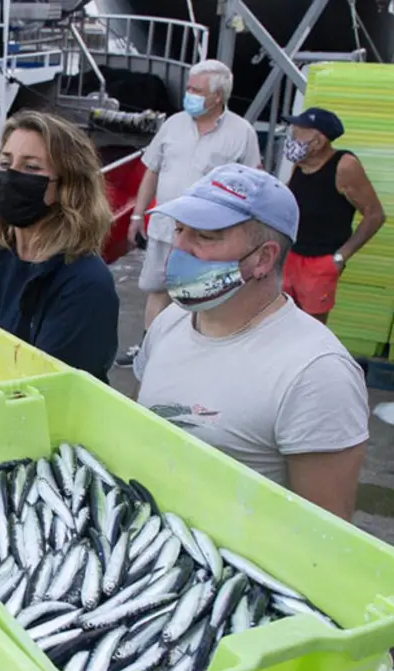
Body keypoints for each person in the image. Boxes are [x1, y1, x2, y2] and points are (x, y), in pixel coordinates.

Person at [135, 164, 367, 520]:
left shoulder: (316, 373)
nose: (179, 248)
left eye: (205, 236)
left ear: (263, 258)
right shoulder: (172, 321)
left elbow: (326, 532)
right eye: (179, 230)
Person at [0, 111, 118, 381]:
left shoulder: (85, 283)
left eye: (31, 168)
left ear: (66, 187)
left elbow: (53, 388)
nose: (11, 176)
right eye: (5, 162)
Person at [119, 59, 262, 366]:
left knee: (200, 295)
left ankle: (189, 355)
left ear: (217, 96)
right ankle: (148, 350)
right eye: (188, 88)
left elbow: (252, 183)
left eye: (196, 90)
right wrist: (136, 216)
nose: (189, 94)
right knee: (157, 289)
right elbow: (151, 171)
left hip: (208, 236)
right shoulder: (173, 124)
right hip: (164, 227)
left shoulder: (242, 132)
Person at [283, 107, 386, 322]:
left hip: (320, 261)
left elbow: (375, 215)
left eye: (298, 132)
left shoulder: (345, 166)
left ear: (318, 142)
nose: (291, 136)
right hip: (291, 255)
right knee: (281, 319)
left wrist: (340, 257)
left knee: (310, 327)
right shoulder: (300, 165)